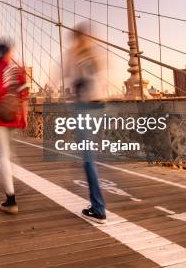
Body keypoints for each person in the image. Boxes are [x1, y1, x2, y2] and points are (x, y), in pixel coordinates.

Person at [64, 23, 108, 224]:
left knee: (88, 158)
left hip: (83, 108)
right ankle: (97, 204)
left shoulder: (74, 56)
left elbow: (65, 79)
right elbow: (103, 79)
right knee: (89, 155)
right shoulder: (95, 54)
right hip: (98, 107)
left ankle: (98, 209)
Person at [0, 38, 29, 214]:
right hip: (14, 116)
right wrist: (24, 118)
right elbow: (24, 96)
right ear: (9, 52)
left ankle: (11, 200)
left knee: (3, 156)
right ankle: (13, 176)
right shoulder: (17, 69)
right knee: (8, 153)